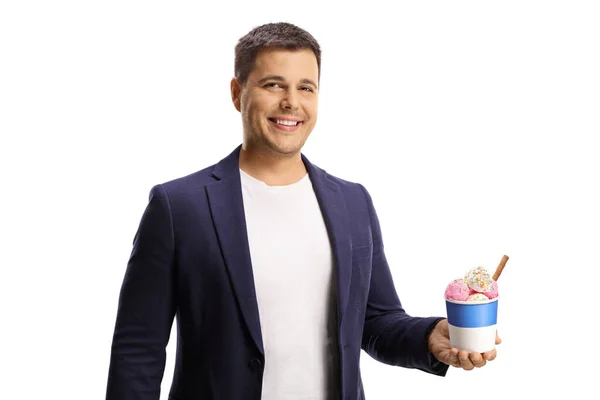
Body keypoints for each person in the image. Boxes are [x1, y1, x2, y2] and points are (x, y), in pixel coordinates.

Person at [105, 22, 501, 400]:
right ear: (236, 92)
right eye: (273, 84)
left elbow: (375, 322)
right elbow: (137, 349)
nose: (291, 102)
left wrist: (431, 336)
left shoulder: (352, 202)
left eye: (305, 87)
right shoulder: (179, 207)